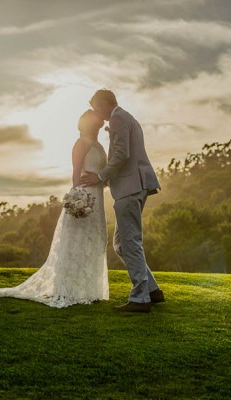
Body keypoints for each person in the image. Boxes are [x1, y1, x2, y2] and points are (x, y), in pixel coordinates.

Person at [0, 110, 109, 308]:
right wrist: (77, 197)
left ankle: (90, 290)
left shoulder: (100, 146)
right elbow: (75, 173)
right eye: (96, 119)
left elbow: (105, 175)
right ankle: (69, 289)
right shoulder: (80, 143)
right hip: (83, 197)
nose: (101, 121)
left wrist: (100, 180)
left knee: (94, 240)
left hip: (97, 198)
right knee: (76, 242)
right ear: (89, 123)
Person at [81, 89, 164, 313]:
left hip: (130, 187)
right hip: (133, 186)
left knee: (131, 242)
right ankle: (153, 290)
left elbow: (121, 153)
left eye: (97, 107)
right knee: (121, 244)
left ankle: (140, 299)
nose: (96, 112)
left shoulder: (118, 118)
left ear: (106, 103)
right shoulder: (126, 117)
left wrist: (100, 176)